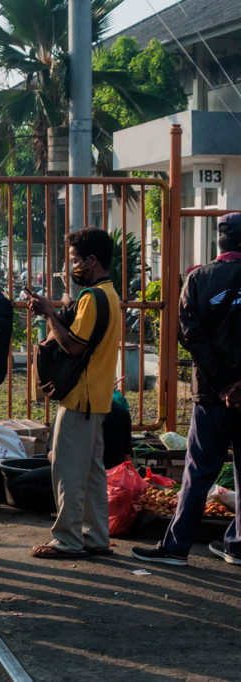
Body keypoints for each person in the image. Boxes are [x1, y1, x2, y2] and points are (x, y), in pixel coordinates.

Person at [133, 212, 241, 567]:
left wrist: (224, 383)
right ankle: (237, 547)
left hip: (211, 395)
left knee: (198, 473)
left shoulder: (198, 280)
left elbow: (191, 336)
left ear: (219, 241)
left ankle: (177, 548)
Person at [25, 227, 120, 559]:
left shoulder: (93, 298)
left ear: (92, 261)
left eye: (76, 260)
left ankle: (67, 539)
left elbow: (73, 347)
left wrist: (49, 314)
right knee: (92, 471)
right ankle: (96, 536)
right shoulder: (108, 294)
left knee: (66, 467)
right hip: (98, 397)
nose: (73, 267)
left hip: (82, 397)